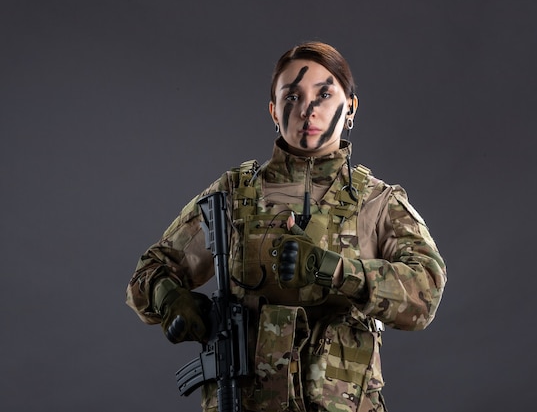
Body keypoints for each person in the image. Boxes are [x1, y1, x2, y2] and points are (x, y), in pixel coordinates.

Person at [126, 41, 447, 412]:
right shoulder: (233, 195)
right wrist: (171, 299)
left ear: (351, 108)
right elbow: (149, 272)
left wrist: (338, 270)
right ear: (274, 111)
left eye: (324, 94)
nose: (308, 110)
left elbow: (427, 292)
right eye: (292, 97)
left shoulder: (376, 203)